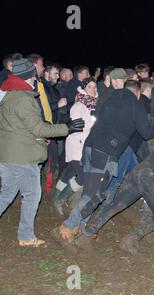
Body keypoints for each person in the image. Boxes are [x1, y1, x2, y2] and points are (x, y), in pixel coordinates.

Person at [50, 68, 154, 252]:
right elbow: (146, 133)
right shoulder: (134, 103)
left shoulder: (107, 97)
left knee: (90, 192)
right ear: (137, 92)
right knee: (94, 195)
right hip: (105, 153)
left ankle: (77, 230)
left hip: (89, 148)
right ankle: (65, 229)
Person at [73, 127, 154, 254]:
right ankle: (131, 239)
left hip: (140, 170)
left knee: (117, 204)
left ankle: (87, 234)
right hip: (153, 178)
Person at [0, 55, 84, 247]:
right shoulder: (23, 98)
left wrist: (38, 134)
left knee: (6, 195)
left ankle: (26, 235)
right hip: (22, 157)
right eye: (33, 76)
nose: (36, 79)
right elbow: (38, 128)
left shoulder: (10, 95)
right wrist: (67, 128)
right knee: (32, 196)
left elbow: (19, 127)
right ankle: (26, 236)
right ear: (27, 77)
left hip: (10, 154)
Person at [53, 77, 98, 215]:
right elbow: (78, 126)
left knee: (69, 172)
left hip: (84, 145)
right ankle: (60, 199)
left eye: (95, 86)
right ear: (83, 88)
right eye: (90, 86)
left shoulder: (93, 105)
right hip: (76, 145)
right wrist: (93, 121)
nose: (93, 89)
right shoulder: (78, 105)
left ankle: (55, 196)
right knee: (82, 176)